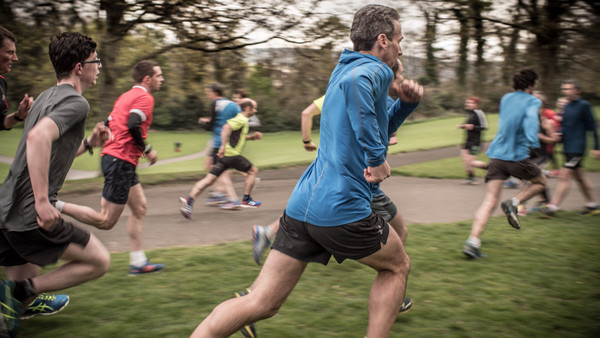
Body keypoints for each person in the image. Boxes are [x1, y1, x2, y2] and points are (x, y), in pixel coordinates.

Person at [191, 5, 424, 337]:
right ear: (382, 40)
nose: (401, 48)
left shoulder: (342, 69)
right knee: (397, 266)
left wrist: (406, 105)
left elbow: (375, 120)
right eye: (399, 40)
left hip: (301, 208)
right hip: (342, 209)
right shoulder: (374, 70)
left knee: (261, 302)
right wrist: (376, 159)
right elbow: (364, 92)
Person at [0, 32, 111, 337]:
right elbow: (37, 139)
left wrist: (89, 143)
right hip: (29, 214)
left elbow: (47, 150)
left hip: (6, 207)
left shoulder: (46, 97)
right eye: (95, 61)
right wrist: (41, 202)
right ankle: (20, 292)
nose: (98, 66)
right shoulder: (77, 103)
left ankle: (16, 299)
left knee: (15, 306)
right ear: (79, 67)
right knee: (99, 261)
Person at [252, 60, 415, 265]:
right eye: (398, 74)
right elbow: (383, 136)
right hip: (362, 179)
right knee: (399, 234)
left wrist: (306, 140)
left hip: (329, 170)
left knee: (312, 211)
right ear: (386, 75)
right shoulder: (385, 101)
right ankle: (392, 275)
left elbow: (306, 113)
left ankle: (268, 232)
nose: (400, 78)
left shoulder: (336, 91)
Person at [57, 60, 166, 275]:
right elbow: (133, 123)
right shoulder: (145, 97)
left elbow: (107, 123)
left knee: (140, 207)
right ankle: (54, 204)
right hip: (120, 161)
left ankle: (137, 262)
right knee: (105, 221)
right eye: (159, 75)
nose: (161, 79)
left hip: (117, 159)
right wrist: (147, 148)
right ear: (147, 78)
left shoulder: (125, 96)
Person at [462, 68, 547, 259]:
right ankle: (514, 203)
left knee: (489, 201)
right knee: (541, 181)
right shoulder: (533, 100)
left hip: (497, 156)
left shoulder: (506, 98)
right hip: (517, 156)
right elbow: (532, 122)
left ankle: (472, 242)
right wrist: (534, 143)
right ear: (531, 86)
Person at [180, 98, 263, 217]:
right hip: (232, 155)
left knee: (208, 180)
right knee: (253, 171)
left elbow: (239, 137)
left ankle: (188, 203)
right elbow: (226, 128)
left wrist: (252, 138)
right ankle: (246, 199)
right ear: (248, 108)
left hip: (225, 157)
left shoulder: (240, 119)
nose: (256, 110)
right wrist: (223, 146)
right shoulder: (241, 119)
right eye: (254, 108)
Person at [539, 80, 600, 216]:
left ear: (577, 90)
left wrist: (597, 147)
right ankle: (592, 204)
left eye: (568, 89)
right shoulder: (566, 107)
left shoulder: (584, 105)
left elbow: (592, 127)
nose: (565, 91)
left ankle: (553, 206)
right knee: (579, 177)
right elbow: (566, 127)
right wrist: (558, 135)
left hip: (577, 147)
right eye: (564, 89)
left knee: (564, 175)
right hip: (567, 147)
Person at [199, 83, 241, 207]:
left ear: (214, 93)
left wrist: (203, 122)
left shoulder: (215, 104)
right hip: (228, 141)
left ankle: (232, 199)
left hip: (219, 142)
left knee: (220, 171)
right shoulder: (232, 105)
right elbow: (240, 121)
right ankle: (218, 193)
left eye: (208, 93)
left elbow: (211, 125)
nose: (208, 96)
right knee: (209, 165)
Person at [457, 96, 488, 185]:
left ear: (475, 104)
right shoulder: (470, 113)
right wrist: (463, 126)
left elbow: (484, 126)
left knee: (471, 162)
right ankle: (471, 178)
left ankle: (489, 168)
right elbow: (469, 125)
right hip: (467, 140)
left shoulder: (479, 113)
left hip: (475, 142)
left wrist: (472, 127)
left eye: (469, 103)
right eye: (467, 103)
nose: (467, 104)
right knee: (465, 159)